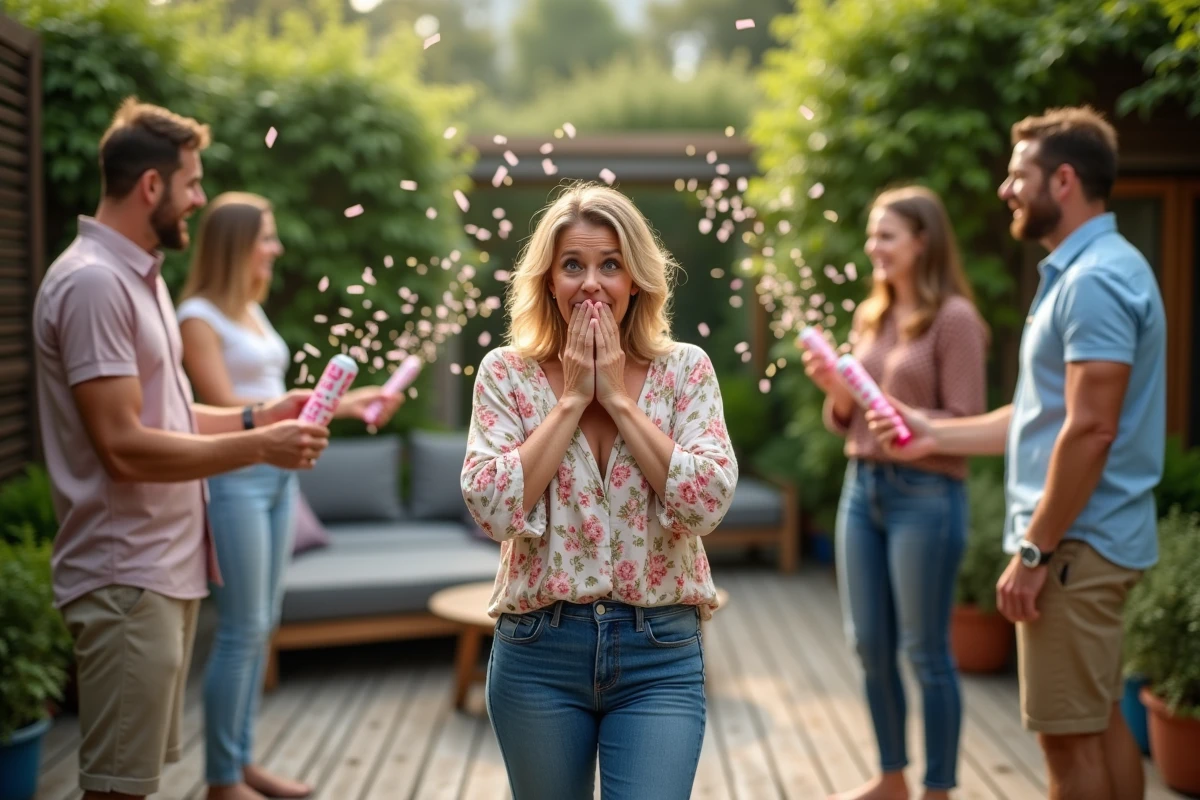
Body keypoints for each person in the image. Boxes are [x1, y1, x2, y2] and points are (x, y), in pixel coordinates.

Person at [32, 98, 330, 800]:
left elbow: (165, 414)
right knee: (117, 789)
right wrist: (261, 446)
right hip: (126, 574)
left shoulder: (139, 279)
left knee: (134, 783)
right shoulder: (94, 283)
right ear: (151, 186)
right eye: (192, 183)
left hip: (160, 572)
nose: (199, 199)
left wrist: (257, 414)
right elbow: (123, 447)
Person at [868, 107, 1165, 800]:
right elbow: (1039, 418)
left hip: (1075, 545)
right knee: (1097, 725)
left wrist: (1035, 551)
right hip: (1087, 541)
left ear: (1063, 181)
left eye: (1018, 175)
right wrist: (933, 432)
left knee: (1066, 741)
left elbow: (1090, 431)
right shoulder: (1086, 272)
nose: (1006, 190)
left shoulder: (1093, 281)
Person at [459, 183, 738, 800]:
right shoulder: (506, 373)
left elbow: (707, 503)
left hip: (659, 651)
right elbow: (492, 508)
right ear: (548, 281)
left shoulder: (685, 369)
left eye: (610, 264)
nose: (591, 283)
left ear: (635, 280)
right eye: (572, 265)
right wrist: (569, 402)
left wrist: (616, 398)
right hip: (538, 651)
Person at [175, 192, 403, 800]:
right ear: (236, 245)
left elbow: (281, 401)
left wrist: (350, 403)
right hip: (235, 476)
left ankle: (242, 763)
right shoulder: (197, 316)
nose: (275, 248)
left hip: (278, 476)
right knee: (241, 627)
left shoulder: (250, 310)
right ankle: (222, 780)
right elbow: (223, 407)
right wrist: (301, 414)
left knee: (264, 623)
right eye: (266, 237)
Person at [801, 186, 988, 800]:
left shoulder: (955, 319)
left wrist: (907, 418)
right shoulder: (871, 315)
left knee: (925, 650)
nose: (873, 246)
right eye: (872, 234)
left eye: (887, 235)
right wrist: (835, 389)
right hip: (863, 488)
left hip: (926, 495)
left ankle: (938, 788)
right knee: (868, 645)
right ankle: (890, 778)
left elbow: (966, 421)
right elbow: (847, 418)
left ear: (922, 241)